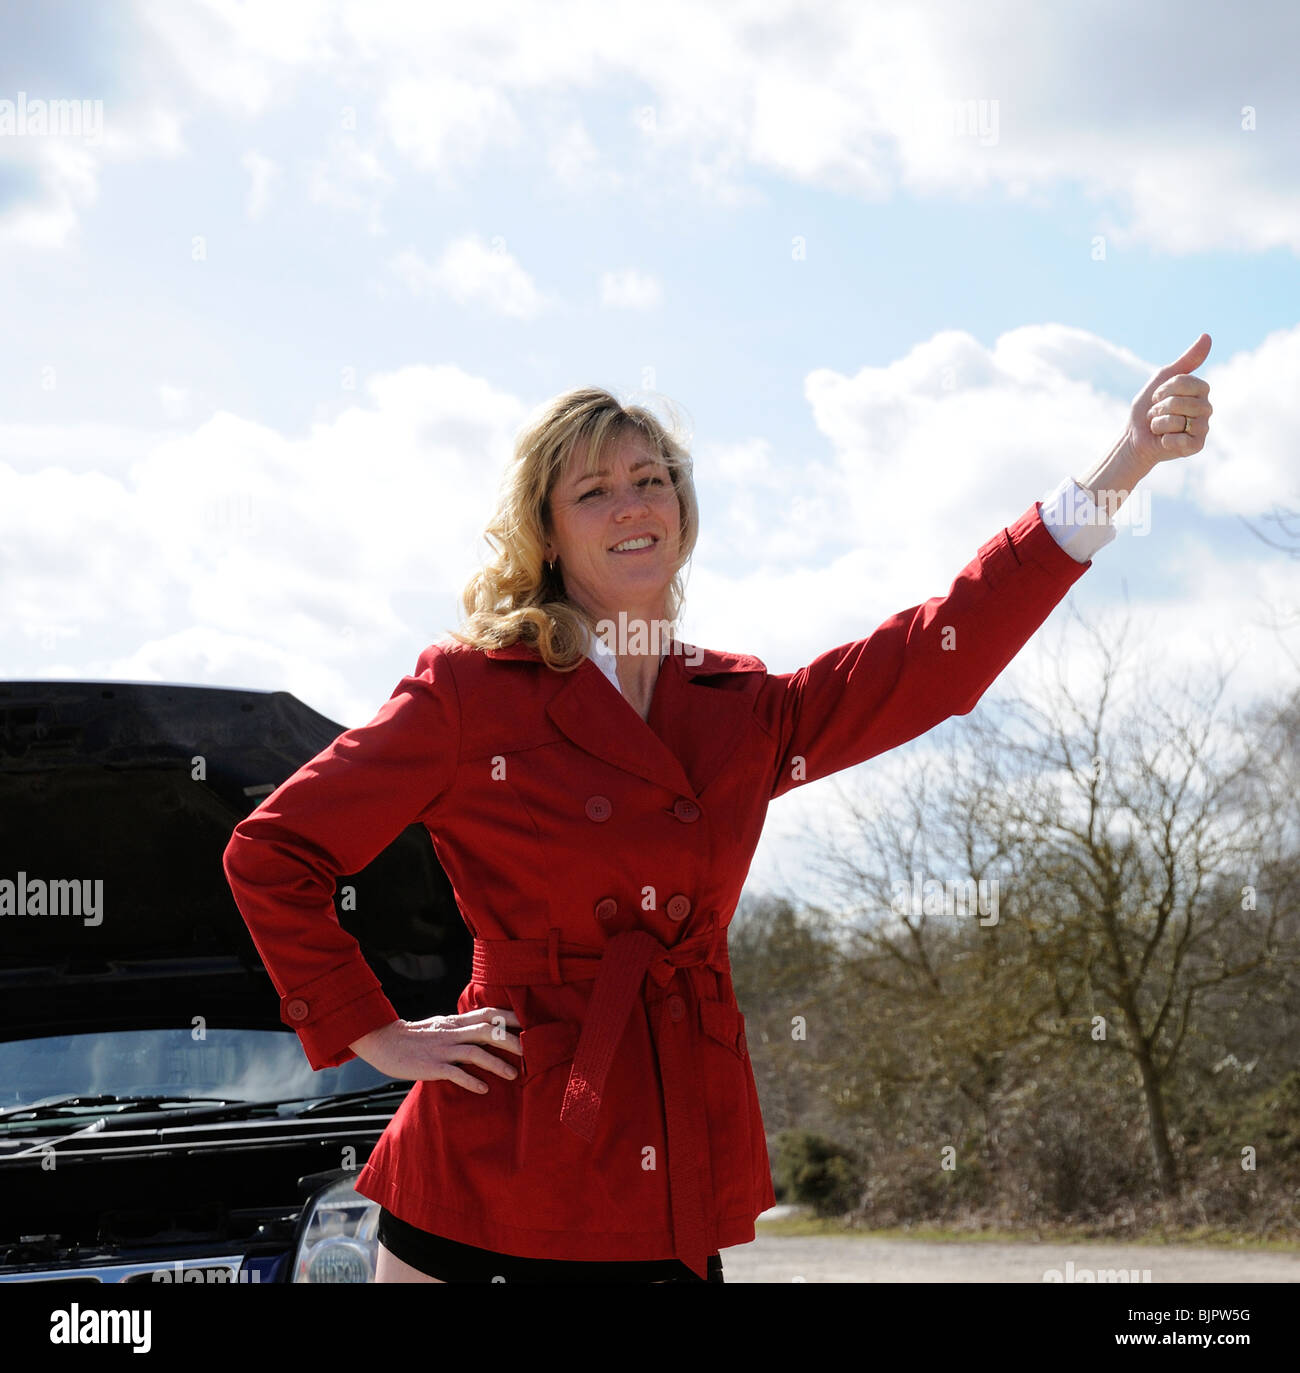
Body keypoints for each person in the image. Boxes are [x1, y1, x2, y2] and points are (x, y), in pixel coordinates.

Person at [222, 340, 1212, 1283]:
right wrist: (375, 1032)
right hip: (500, 1145)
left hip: (668, 1133)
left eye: (651, 479)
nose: (631, 504)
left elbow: (925, 663)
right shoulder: (472, 692)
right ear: (548, 530)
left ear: (683, 508)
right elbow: (275, 851)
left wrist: (1121, 467)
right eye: (594, 489)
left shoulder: (737, 707)